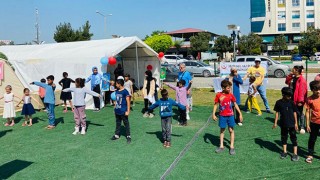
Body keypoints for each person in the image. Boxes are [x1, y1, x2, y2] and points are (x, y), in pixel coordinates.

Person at [213, 80, 243, 155]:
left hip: (230, 116)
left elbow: (235, 104)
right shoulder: (218, 95)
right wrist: (213, 114)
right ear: (223, 88)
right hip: (222, 116)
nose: (229, 89)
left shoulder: (231, 95)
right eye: (228, 88)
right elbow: (216, 105)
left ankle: (232, 147)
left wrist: (240, 113)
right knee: (222, 130)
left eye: (230, 88)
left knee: (231, 130)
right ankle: (221, 146)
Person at [272, 87, 299, 161]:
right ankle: (284, 151)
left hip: (292, 124)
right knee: (284, 137)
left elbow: (294, 113)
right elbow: (277, 113)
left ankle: (295, 153)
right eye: (288, 96)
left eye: (290, 96)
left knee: (293, 138)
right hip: (283, 123)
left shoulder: (292, 102)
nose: (290, 97)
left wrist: (296, 123)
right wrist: (275, 123)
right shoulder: (278, 102)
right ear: (283, 94)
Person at [285, 66, 307, 134]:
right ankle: (295, 125)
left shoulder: (301, 79)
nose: (292, 70)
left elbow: (302, 91)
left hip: (298, 99)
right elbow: (286, 82)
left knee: (299, 113)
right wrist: (290, 75)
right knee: (293, 112)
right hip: (292, 98)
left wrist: (300, 101)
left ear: (297, 71)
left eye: (293, 69)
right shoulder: (293, 77)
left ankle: (302, 127)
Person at [110, 79, 131, 144]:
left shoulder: (125, 91)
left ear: (119, 84)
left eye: (116, 84)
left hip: (123, 111)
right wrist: (114, 109)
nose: (116, 85)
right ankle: (117, 135)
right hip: (117, 110)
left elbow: (128, 102)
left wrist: (128, 111)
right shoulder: (116, 91)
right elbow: (116, 101)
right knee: (118, 123)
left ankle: (128, 136)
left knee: (126, 123)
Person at [305, 81, 320, 163]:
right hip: (314, 122)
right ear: (312, 90)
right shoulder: (309, 99)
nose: (318, 91)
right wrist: (307, 124)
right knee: (312, 139)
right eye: (316, 90)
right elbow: (307, 112)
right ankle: (310, 154)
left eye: (319, 89)